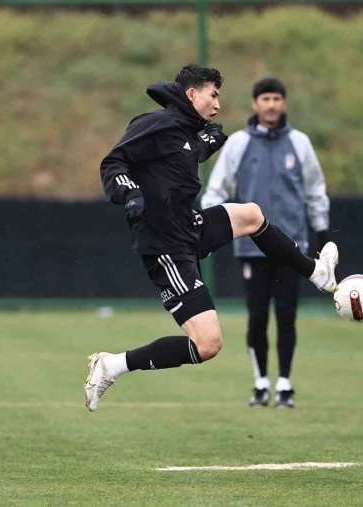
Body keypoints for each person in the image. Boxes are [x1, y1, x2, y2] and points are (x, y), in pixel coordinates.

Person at [84, 64, 339, 412]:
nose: (218, 105)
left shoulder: (185, 132)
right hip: (166, 246)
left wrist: (205, 144)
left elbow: (179, 159)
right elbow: (114, 163)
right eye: (213, 95)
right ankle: (112, 365)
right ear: (192, 94)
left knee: (251, 215)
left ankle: (316, 272)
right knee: (208, 344)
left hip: (189, 227)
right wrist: (130, 194)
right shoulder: (154, 124)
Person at [201, 78, 329, 408]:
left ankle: (284, 384)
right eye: (265, 99)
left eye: (276, 98)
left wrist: (322, 235)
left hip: (292, 247)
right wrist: (216, 226)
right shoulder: (238, 143)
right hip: (251, 247)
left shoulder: (300, 144)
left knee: (286, 316)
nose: (271, 104)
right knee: (257, 317)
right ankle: (260, 383)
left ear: (284, 103)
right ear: (255, 103)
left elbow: (315, 191)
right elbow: (215, 190)